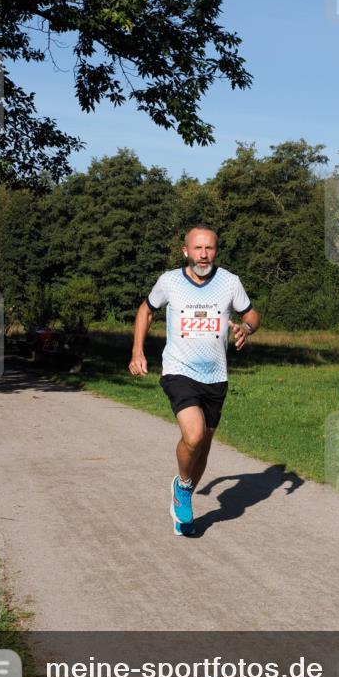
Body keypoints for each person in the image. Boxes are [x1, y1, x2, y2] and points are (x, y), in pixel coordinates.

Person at [129, 225, 260, 536]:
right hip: (178, 370)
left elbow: (252, 315)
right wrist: (137, 351)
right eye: (198, 249)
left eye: (210, 249)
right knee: (194, 435)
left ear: (216, 251)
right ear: (185, 251)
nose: (204, 255)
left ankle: (183, 495)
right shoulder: (169, 282)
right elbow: (146, 311)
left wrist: (246, 328)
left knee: (203, 447)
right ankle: (183, 487)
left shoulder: (230, 282)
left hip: (216, 375)